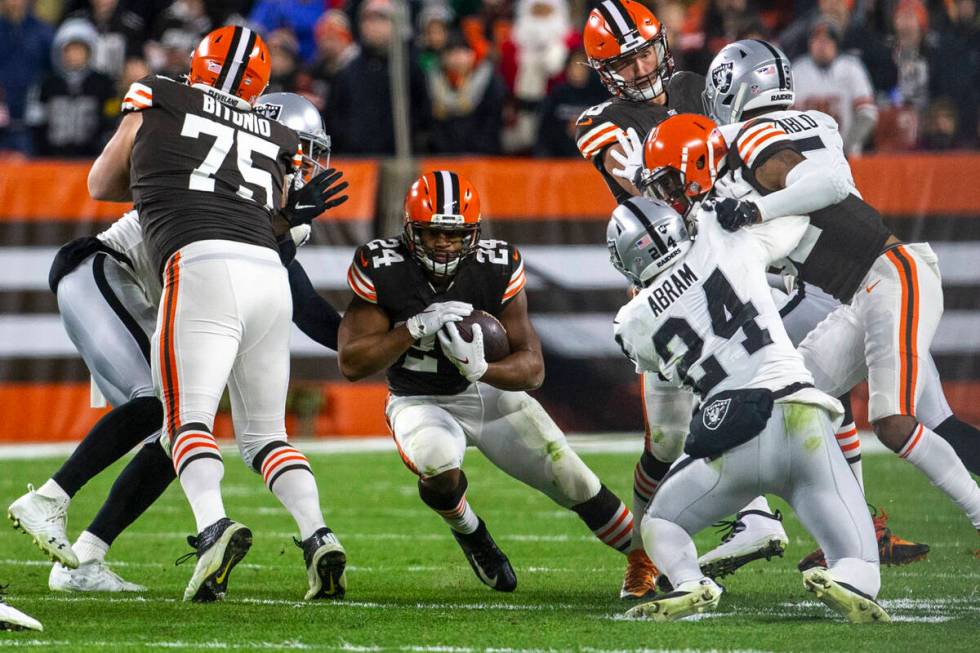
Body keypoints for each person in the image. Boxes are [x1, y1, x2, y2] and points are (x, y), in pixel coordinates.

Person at [8, 91, 348, 594]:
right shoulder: (219, 170)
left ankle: (83, 558)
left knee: (178, 432)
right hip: (104, 270)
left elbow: (301, 303)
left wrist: (386, 343)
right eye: (298, 148)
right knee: (161, 406)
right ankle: (48, 498)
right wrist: (278, 219)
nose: (305, 161)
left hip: (165, 293)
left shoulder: (284, 212)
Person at [84, 25, 347, 602]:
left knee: (185, 421)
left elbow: (99, 183)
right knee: (265, 437)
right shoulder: (275, 134)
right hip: (267, 276)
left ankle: (213, 528)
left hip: (200, 263)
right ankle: (317, 533)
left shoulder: (160, 93)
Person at [702, 39, 980, 556]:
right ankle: (854, 536)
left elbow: (825, 184)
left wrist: (754, 213)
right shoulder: (804, 128)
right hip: (863, 293)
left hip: (894, 274)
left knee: (895, 423)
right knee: (795, 403)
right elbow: (801, 234)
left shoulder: (754, 136)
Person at [337, 171, 638, 593]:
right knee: (438, 464)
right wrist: (411, 329)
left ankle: (646, 561)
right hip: (418, 398)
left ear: (473, 234)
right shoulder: (384, 267)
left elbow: (533, 369)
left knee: (576, 480)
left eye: (456, 234)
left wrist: (482, 371)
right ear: (410, 231)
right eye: (433, 233)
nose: (444, 244)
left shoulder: (496, 266)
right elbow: (351, 363)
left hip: (486, 393)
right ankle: (471, 531)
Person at [574, 0, 782, 597]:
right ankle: (645, 555)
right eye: (625, 60)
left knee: (760, 382)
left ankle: (773, 517)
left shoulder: (700, 84)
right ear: (604, 69)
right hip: (669, 275)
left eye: (644, 52)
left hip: (735, 258)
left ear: (660, 44)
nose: (640, 68)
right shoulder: (602, 121)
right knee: (666, 438)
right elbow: (647, 182)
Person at [610, 195, 888, 624]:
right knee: (862, 560)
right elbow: (798, 218)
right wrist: (751, 211)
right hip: (801, 415)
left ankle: (689, 581)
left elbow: (659, 348)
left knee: (662, 522)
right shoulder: (721, 239)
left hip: (733, 431)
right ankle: (847, 578)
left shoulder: (631, 321)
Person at [25, 18, 116, 157]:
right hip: (52, 159)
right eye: (69, 50)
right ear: (59, 52)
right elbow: (35, 122)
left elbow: (111, 119)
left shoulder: (104, 84)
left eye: (80, 50)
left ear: (90, 51)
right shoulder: (46, 83)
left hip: (91, 159)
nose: (74, 55)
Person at [791, 19, 878, 156]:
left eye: (827, 41)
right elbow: (784, 118)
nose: (821, 45)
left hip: (846, 155)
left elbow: (867, 114)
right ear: (809, 44)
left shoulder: (852, 68)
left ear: (836, 45)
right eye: (817, 40)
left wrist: (847, 146)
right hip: (805, 157)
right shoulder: (796, 71)